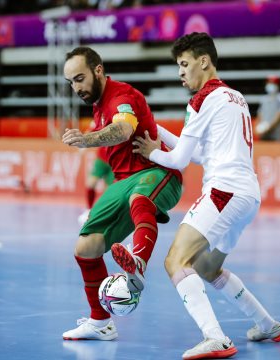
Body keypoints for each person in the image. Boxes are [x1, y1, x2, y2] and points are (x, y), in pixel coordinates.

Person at [133, 32, 280, 359]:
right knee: (207, 268)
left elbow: (179, 161)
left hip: (223, 192)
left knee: (176, 260)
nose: (180, 72)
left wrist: (152, 151)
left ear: (204, 61)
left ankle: (215, 337)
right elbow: (203, 153)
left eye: (184, 64)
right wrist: (159, 132)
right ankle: (267, 324)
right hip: (247, 196)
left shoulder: (201, 99)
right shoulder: (235, 97)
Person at [61, 46, 183, 341]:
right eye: (71, 83)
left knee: (138, 199)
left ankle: (138, 263)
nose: (77, 88)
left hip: (158, 172)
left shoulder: (121, 96)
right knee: (86, 247)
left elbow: (124, 130)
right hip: (122, 181)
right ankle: (100, 322)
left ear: (98, 71)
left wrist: (87, 139)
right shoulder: (98, 103)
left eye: (80, 78)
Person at [78, 145, 115, 226]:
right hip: (101, 159)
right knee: (91, 183)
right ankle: (88, 210)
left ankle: (106, 215)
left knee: (109, 191)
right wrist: (83, 145)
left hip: (115, 161)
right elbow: (92, 133)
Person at [254, 75, 280, 141]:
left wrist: (268, 128)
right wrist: (256, 128)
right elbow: (259, 114)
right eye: (269, 83)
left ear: (278, 85)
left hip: (275, 135)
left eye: (273, 83)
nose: (271, 85)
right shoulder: (263, 98)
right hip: (263, 133)